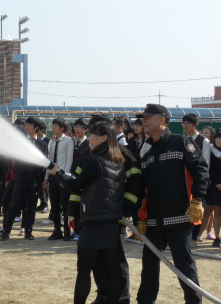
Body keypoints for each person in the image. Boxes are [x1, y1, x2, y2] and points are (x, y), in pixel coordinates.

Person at [136, 104, 208, 304]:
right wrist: (141, 218)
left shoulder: (181, 142)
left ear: (162, 120)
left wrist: (198, 200)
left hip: (179, 218)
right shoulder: (146, 151)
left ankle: (194, 302)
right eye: (143, 117)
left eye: (149, 116)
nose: (144, 120)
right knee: (149, 265)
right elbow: (143, 189)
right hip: (153, 222)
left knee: (184, 265)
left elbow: (201, 171)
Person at [68, 114, 143, 304]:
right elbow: (81, 187)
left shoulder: (123, 153)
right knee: (97, 264)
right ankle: (103, 295)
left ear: (105, 134)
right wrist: (73, 211)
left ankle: (122, 298)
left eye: (93, 132)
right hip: (92, 216)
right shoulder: (89, 154)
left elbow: (136, 183)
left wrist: (124, 209)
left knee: (116, 263)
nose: (89, 136)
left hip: (113, 219)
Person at [50, 121, 126, 304]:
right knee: (110, 270)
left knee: (83, 271)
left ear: (104, 138)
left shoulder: (94, 161)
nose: (89, 138)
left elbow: (76, 185)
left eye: (92, 135)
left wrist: (57, 173)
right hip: (111, 223)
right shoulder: (117, 161)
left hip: (93, 222)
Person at [0, 117, 48, 240]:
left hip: (34, 179)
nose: (26, 127)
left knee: (31, 207)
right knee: (14, 205)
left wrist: (43, 179)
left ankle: (28, 231)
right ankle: (6, 232)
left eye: (29, 125)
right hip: (20, 178)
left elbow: (44, 163)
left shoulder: (42, 144)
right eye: (26, 124)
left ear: (36, 127)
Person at [181, 114, 211, 247]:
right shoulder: (183, 139)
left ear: (195, 125)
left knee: (198, 207)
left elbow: (206, 163)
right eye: (184, 123)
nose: (185, 125)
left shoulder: (203, 141)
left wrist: (201, 179)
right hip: (185, 180)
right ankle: (186, 235)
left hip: (197, 180)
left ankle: (195, 236)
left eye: (188, 123)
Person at [43, 117, 74, 241]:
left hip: (62, 176)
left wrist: (64, 177)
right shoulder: (52, 142)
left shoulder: (68, 141)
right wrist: (46, 178)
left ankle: (67, 231)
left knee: (65, 205)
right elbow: (49, 162)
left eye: (56, 126)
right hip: (52, 176)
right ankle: (57, 230)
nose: (53, 128)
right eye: (53, 125)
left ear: (62, 128)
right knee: (54, 205)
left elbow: (69, 160)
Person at [70, 118, 89, 239]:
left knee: (83, 205)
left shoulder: (88, 144)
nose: (77, 129)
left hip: (83, 178)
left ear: (86, 130)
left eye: (80, 127)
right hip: (72, 177)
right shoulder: (71, 142)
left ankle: (81, 230)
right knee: (74, 205)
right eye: (76, 126)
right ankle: (75, 229)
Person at [36, 121, 51, 213]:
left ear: (42, 130)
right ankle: (42, 204)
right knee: (38, 186)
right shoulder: (36, 140)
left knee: (44, 186)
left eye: (38, 130)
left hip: (45, 167)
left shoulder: (48, 141)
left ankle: (45, 205)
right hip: (37, 166)